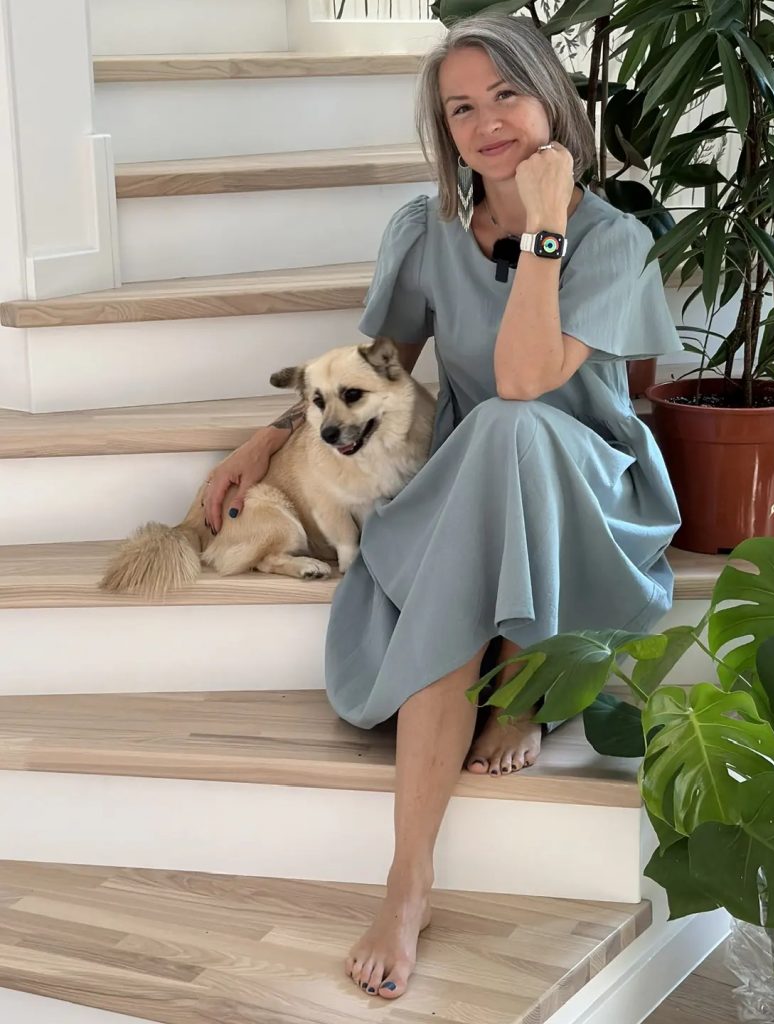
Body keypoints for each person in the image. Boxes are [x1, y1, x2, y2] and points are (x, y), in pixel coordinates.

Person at [203, 13, 682, 1002]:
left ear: (551, 100)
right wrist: (266, 439)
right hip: (469, 486)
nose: (486, 123)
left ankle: (519, 689)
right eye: (460, 109)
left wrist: (543, 224)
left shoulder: (614, 239)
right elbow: (379, 370)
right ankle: (409, 880)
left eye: (506, 95)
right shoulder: (424, 233)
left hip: (588, 495)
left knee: (512, 424)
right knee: (491, 445)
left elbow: (523, 380)